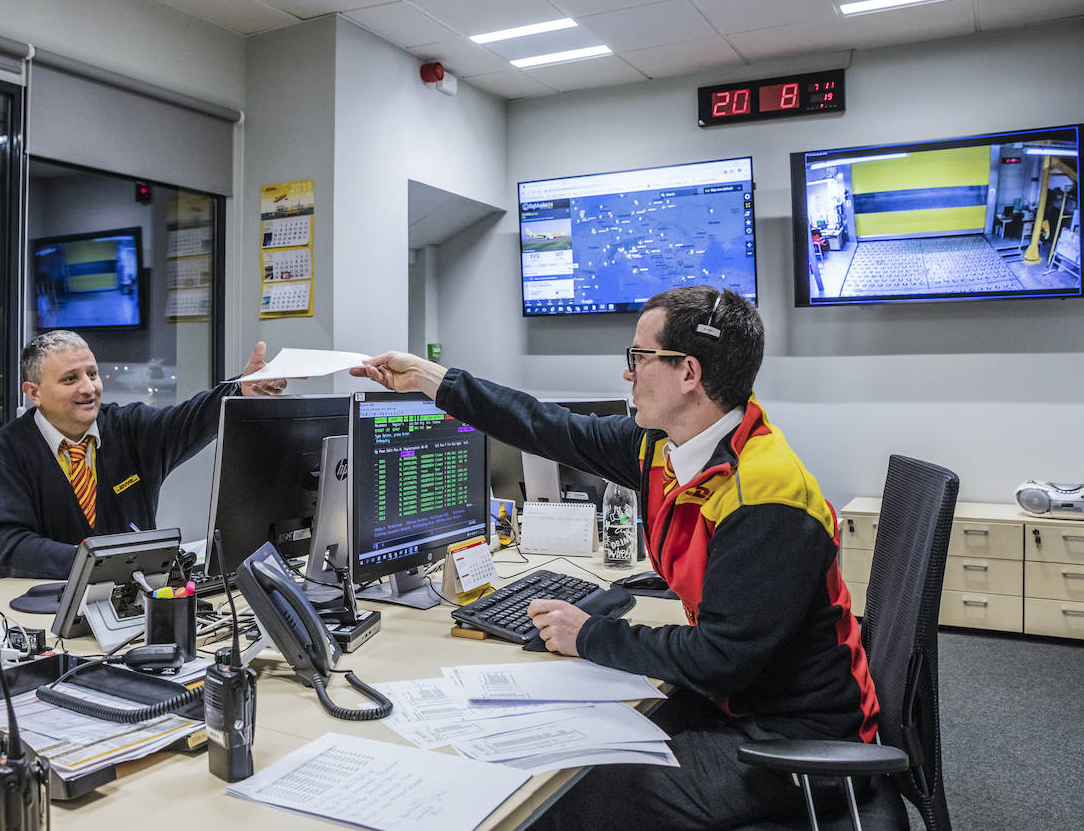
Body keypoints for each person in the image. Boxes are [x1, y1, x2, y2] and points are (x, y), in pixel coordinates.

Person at [353, 285, 877, 829]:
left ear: (688, 373)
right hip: (736, 703)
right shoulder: (666, 446)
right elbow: (548, 427)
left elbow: (721, 658)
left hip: (795, 740)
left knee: (561, 796)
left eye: (639, 357)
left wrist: (589, 636)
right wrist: (431, 380)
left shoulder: (766, 496)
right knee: (561, 745)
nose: (628, 374)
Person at [0, 330, 286, 579]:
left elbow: (189, 420)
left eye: (93, 374)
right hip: (37, 604)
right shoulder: (7, 448)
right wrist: (98, 562)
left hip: (131, 601)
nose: (89, 388)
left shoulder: (129, 428)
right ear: (34, 393)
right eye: (70, 379)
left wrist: (239, 390)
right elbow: (8, 546)